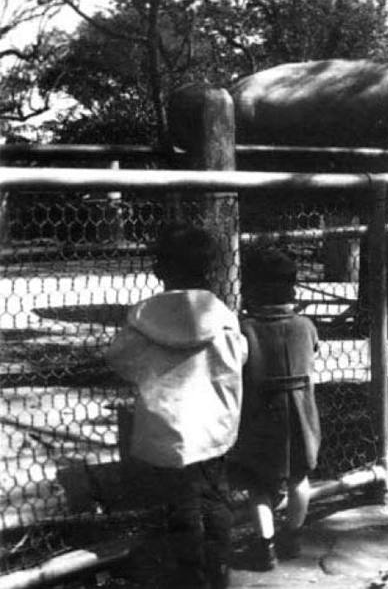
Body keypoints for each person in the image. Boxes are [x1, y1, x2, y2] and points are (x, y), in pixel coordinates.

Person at [105, 223, 247, 589]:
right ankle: (218, 571)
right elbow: (239, 357)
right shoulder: (221, 316)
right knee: (215, 498)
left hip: (166, 427)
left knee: (178, 504)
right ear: (208, 269)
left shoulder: (143, 320)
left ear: (159, 270)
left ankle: (188, 576)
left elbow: (120, 359)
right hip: (212, 426)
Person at [233, 246, 321, 570]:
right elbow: (313, 354)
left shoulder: (245, 329)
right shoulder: (306, 325)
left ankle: (265, 546)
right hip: (300, 416)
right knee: (299, 477)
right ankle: (293, 536)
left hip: (260, 415)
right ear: (292, 290)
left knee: (258, 484)